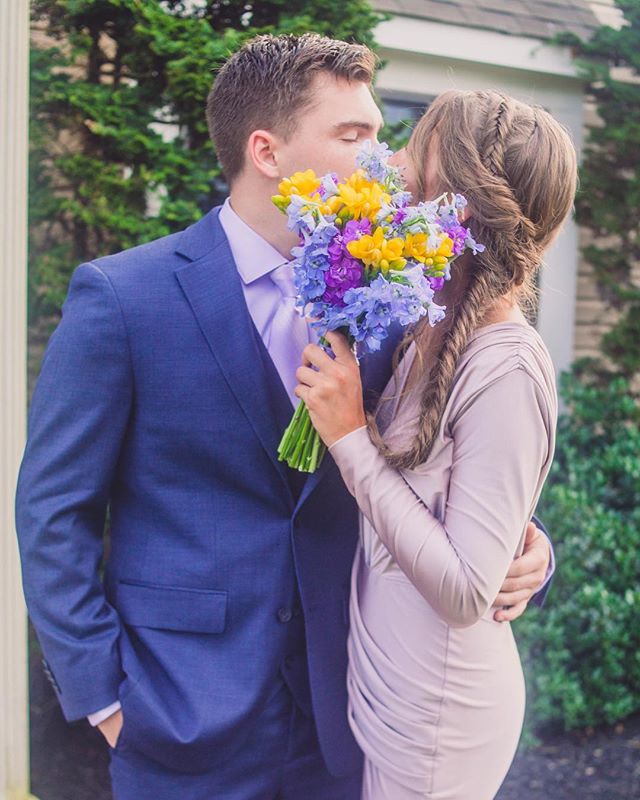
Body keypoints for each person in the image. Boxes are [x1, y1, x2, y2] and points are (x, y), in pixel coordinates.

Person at [15, 36, 553, 800]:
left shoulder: (395, 297)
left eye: (381, 132)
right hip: (177, 718)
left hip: (347, 718)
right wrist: (103, 695)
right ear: (266, 151)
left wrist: (530, 550)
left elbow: (451, 460)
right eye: (354, 135)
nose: (383, 157)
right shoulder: (122, 299)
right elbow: (52, 510)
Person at [295, 89, 577, 799]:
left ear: (456, 203)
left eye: (412, 151)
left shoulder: (506, 365)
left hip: (439, 717)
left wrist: (351, 438)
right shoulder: (426, 324)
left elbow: (463, 589)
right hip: (392, 690)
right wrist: (528, 540)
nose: (389, 162)